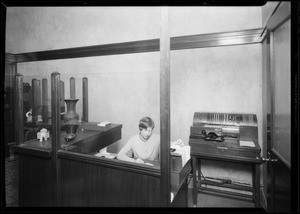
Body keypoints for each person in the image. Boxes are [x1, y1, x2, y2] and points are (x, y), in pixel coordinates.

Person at [117, 116, 184, 164]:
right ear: (140, 129)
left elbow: (170, 144)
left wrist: (178, 143)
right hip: (140, 168)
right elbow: (120, 155)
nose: (148, 133)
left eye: (150, 131)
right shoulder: (133, 139)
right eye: (146, 130)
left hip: (154, 169)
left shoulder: (157, 137)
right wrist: (134, 161)